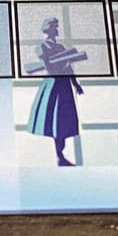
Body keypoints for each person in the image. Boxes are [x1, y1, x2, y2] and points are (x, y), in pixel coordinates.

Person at [23, 16, 88, 166]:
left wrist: (75, 84)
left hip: (64, 85)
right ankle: (58, 154)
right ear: (48, 29)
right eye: (54, 27)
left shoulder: (60, 47)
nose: (56, 30)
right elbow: (49, 66)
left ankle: (61, 154)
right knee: (54, 120)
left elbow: (68, 67)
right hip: (53, 85)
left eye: (56, 27)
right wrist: (58, 64)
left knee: (64, 121)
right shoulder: (42, 47)